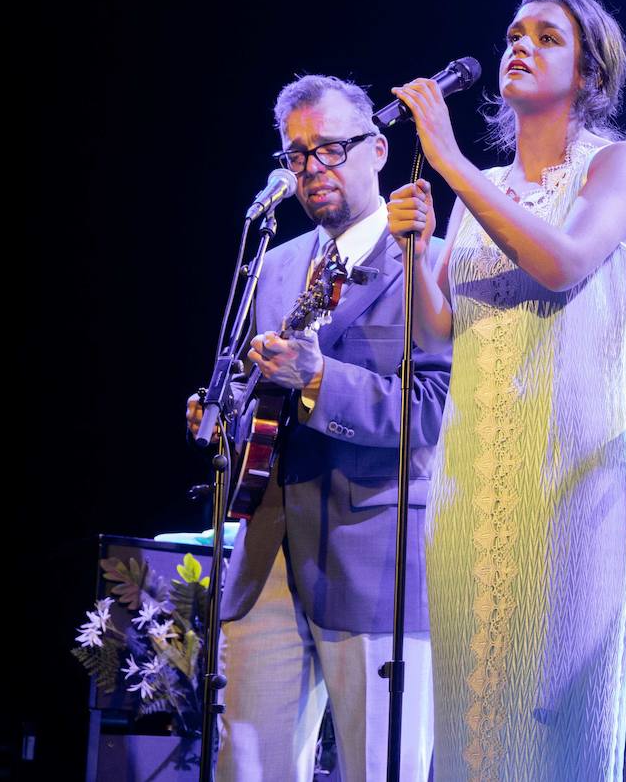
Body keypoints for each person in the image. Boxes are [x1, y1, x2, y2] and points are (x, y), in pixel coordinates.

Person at [385, 0, 626, 781]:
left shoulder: (620, 165)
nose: (520, 46)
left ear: (589, 71)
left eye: (546, 36)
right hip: (470, 487)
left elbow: (563, 262)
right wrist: (415, 251)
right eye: (513, 34)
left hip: (571, 482)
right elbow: (439, 327)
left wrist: (454, 166)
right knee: (472, 729)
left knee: (550, 735)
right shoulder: (483, 189)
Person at [186, 74, 449, 780]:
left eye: (330, 149)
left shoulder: (431, 261)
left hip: (375, 557)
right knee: (248, 769)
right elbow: (254, 402)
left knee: (379, 768)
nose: (312, 169)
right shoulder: (270, 267)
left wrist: (319, 379)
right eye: (296, 156)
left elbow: (436, 408)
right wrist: (222, 415)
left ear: (377, 150)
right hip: (265, 555)